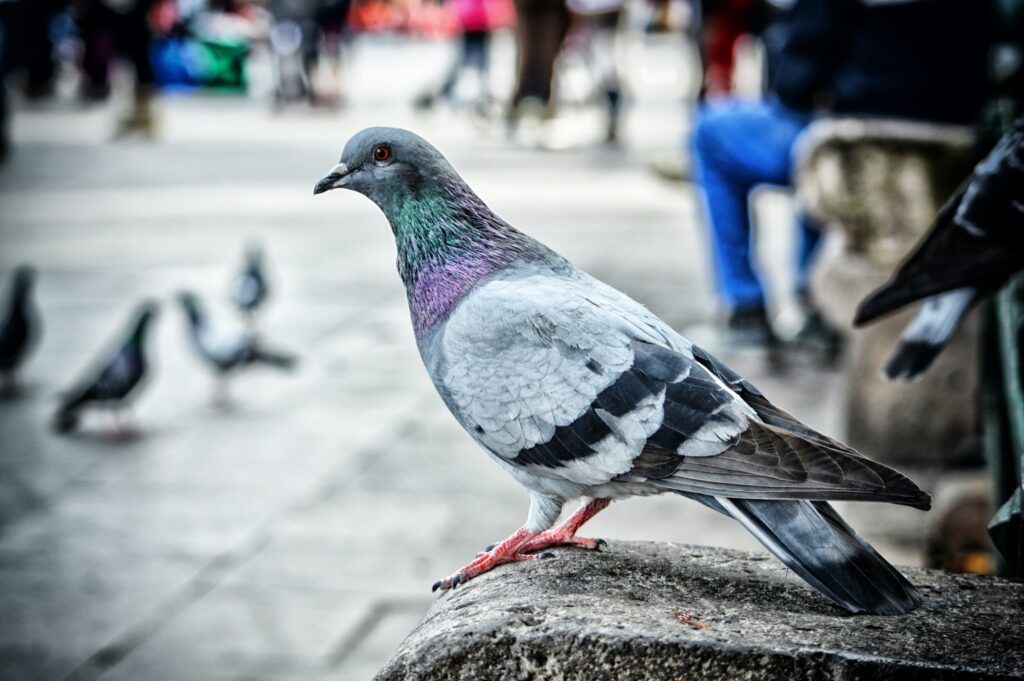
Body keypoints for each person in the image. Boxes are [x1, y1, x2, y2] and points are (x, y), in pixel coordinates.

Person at [691, 0, 996, 349]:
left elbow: (797, 82)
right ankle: (809, 304)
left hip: (856, 144)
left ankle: (746, 307)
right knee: (815, 132)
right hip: (955, 142)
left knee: (711, 133)